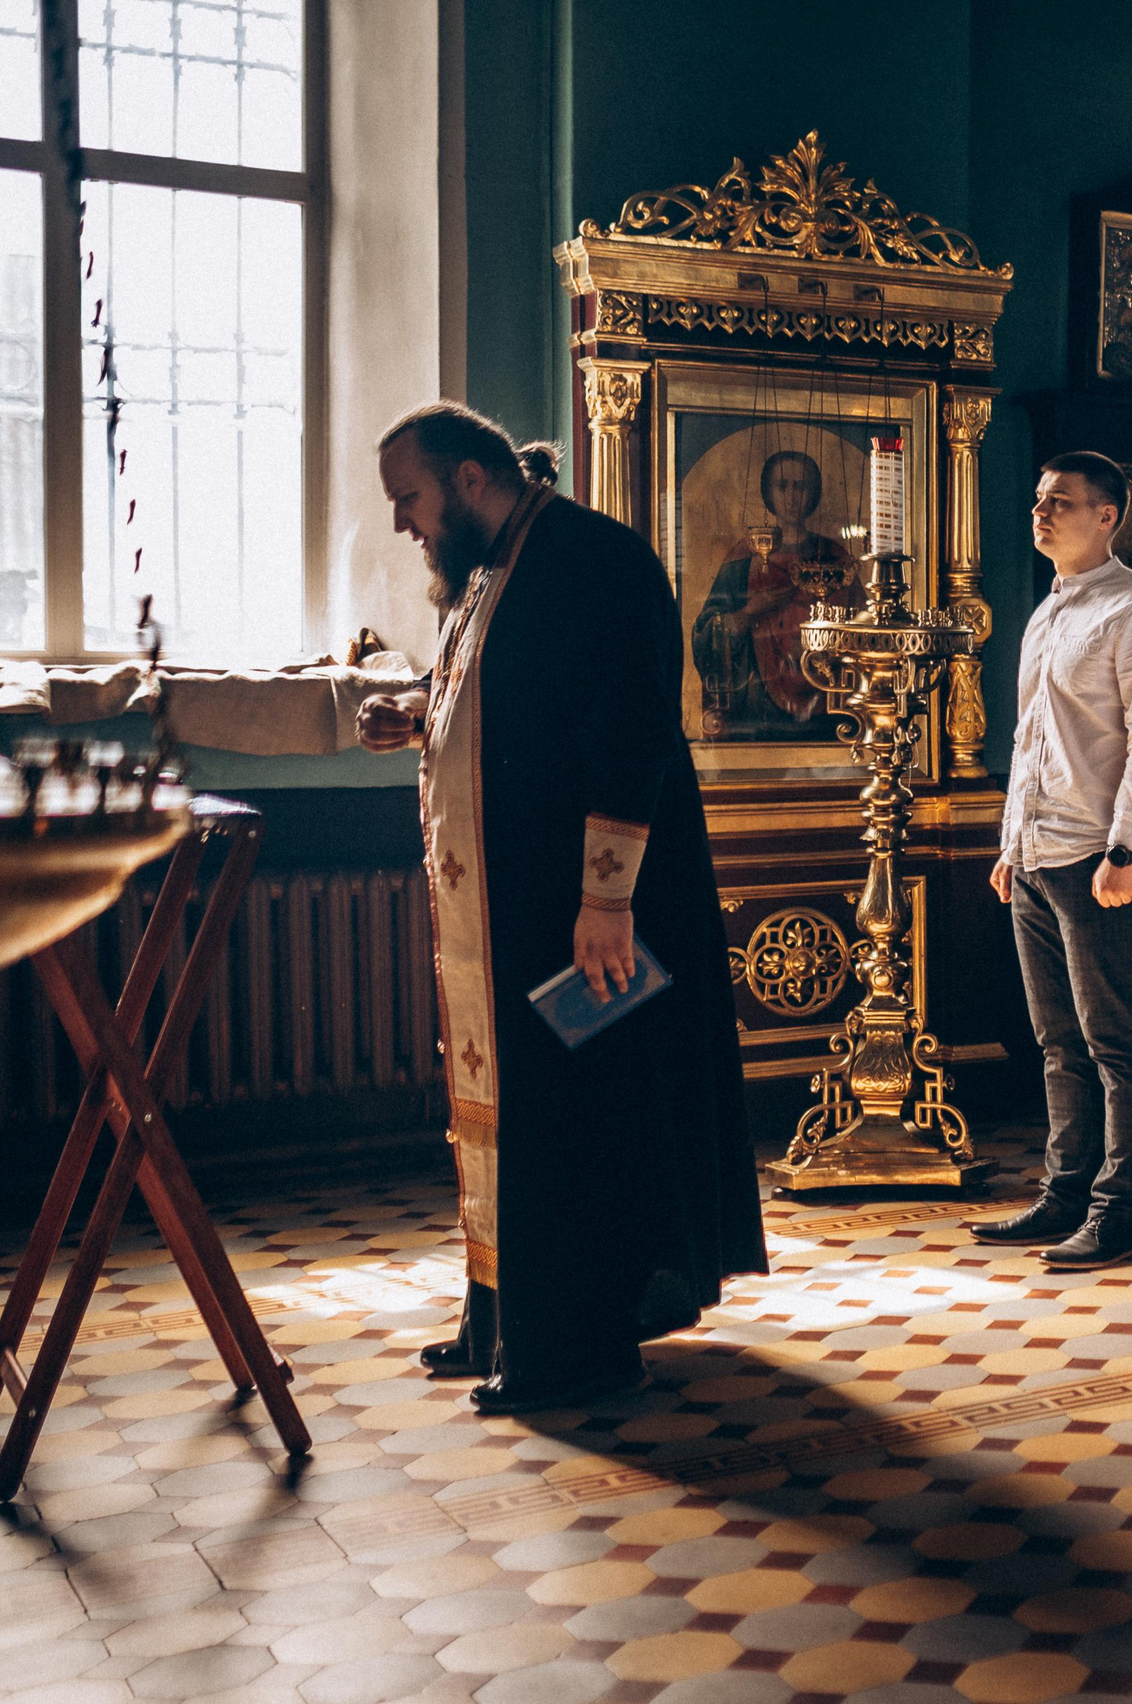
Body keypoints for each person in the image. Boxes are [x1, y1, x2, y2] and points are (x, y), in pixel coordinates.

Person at [357, 402, 765, 1415]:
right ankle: (507, 1321)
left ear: (466, 477)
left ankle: (581, 1345)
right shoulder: (492, 569)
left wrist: (606, 901)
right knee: (518, 1118)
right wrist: (418, 714)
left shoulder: (594, 559)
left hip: (587, 907)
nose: (404, 523)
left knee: (580, 1119)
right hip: (512, 906)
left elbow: (626, 735)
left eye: (409, 499)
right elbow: (514, 705)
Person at [970, 453, 1132, 1271]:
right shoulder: (1052, 608)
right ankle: (1065, 1193)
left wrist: (1129, 849)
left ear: (1108, 516)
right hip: (1036, 855)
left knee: (1115, 1040)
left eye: (1060, 501)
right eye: (1037, 498)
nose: (1041, 510)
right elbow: (1032, 739)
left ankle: (1118, 1209)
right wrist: (1007, 843)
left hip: (1100, 859)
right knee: (1056, 1039)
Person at [688, 449, 858, 736]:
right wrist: (749, 612)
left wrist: (820, 644)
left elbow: (864, 628)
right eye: (782, 486)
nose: (792, 497)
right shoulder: (743, 557)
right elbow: (705, 634)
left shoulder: (834, 557)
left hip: (825, 704)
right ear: (768, 492)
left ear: (813, 493)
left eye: (801, 486)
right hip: (757, 709)